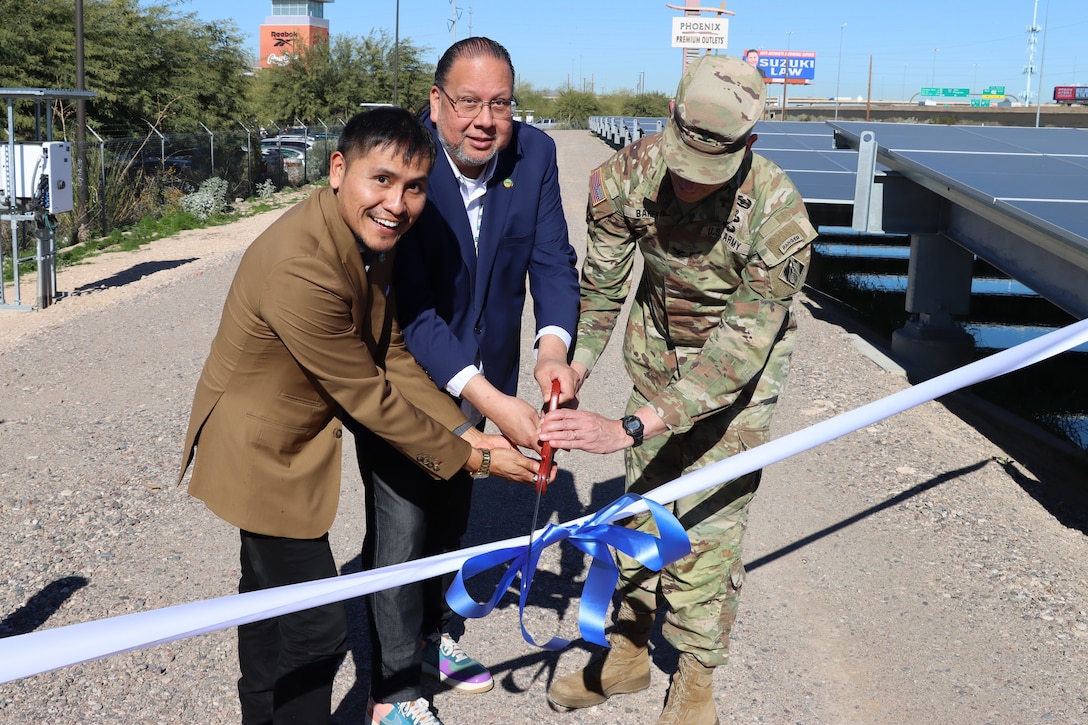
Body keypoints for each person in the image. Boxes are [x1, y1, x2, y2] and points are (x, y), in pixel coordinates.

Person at [178, 107, 542, 725]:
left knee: (270, 612)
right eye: (382, 180)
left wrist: (469, 427)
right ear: (339, 168)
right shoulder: (303, 263)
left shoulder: (369, 238)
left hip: (290, 437)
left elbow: (390, 352)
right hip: (260, 453)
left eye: (414, 187)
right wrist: (477, 456)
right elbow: (366, 394)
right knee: (317, 633)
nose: (397, 204)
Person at [539, 54, 817, 724]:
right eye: (684, 160)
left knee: (707, 524)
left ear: (749, 145)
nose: (689, 185)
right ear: (670, 114)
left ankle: (695, 680)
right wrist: (573, 367)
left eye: (710, 170)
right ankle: (629, 652)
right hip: (657, 355)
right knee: (640, 508)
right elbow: (604, 287)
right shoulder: (624, 179)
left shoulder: (778, 217)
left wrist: (631, 426)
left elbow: (735, 352)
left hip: (737, 382)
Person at [354, 36, 580, 725]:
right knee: (400, 528)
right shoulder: (405, 166)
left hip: (494, 376)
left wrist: (550, 350)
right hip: (405, 376)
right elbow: (415, 308)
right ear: (437, 103)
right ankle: (391, 693)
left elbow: (551, 259)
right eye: (469, 103)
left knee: (453, 513)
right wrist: (488, 401)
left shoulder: (534, 155)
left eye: (501, 104)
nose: (485, 120)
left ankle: (427, 640)